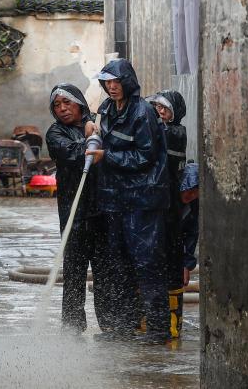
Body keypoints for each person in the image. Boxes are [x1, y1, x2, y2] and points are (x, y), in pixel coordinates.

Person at [86, 59, 171, 344]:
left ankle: (158, 330)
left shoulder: (142, 112)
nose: (112, 87)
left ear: (127, 82)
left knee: (147, 264)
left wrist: (106, 156)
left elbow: (145, 156)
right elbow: (102, 135)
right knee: (119, 264)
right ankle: (124, 326)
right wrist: (93, 133)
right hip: (116, 198)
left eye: (116, 81)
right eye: (107, 82)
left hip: (143, 199)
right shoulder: (107, 109)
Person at [45, 83, 112, 334]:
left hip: (102, 211)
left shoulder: (99, 123)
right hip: (73, 213)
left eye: (67, 103)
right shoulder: (55, 133)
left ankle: (110, 326)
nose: (62, 109)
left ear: (80, 103)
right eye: (57, 105)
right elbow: (74, 154)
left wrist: (95, 130)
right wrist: (88, 137)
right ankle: (72, 328)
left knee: (105, 272)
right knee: (74, 273)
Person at [147, 90, 188, 339]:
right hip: (156, 204)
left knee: (171, 259)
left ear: (175, 112)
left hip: (171, 206)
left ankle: (173, 322)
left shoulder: (176, 132)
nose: (160, 112)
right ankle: (150, 318)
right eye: (157, 108)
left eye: (165, 108)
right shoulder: (158, 129)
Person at [178, 162, 199, 285]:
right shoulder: (168, 200)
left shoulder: (193, 206)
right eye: (190, 190)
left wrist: (186, 265)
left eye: (196, 192)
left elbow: (191, 234)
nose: (192, 195)